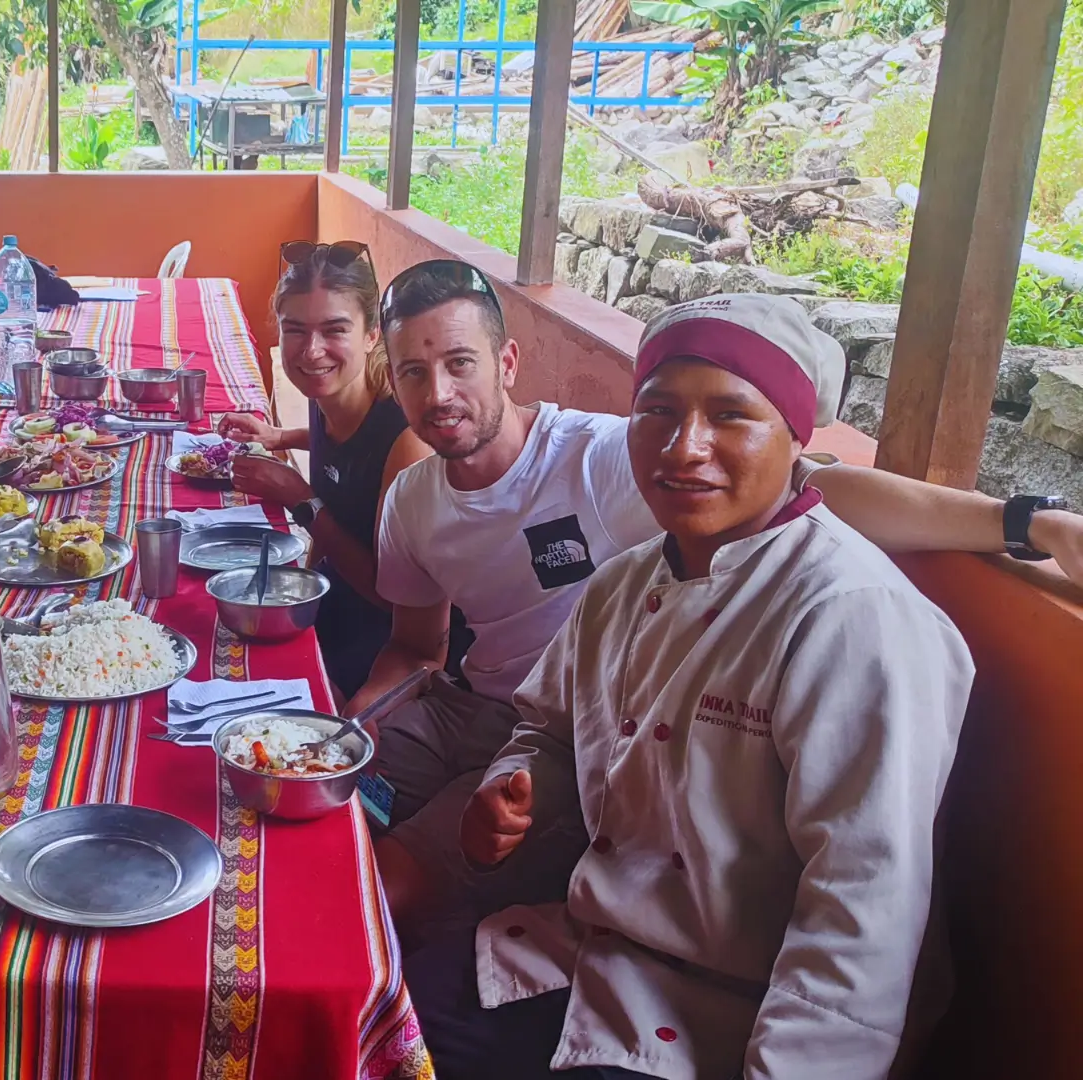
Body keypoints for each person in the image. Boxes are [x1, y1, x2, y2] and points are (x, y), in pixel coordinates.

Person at [355, 261, 1083, 933]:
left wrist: (1022, 523)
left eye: (460, 364)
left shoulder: (613, 457)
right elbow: (417, 648)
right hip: (467, 712)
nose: (439, 394)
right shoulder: (413, 500)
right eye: (415, 372)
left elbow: (818, 488)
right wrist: (357, 717)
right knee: (327, 804)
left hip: (567, 740)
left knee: (387, 887)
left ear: (506, 363)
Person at [423, 294, 973, 1078]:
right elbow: (546, 728)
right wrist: (518, 786)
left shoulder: (853, 618)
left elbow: (861, 919)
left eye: (730, 416)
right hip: (598, 952)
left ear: (795, 440)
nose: (684, 447)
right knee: (374, 1012)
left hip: (737, 1015)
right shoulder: (621, 584)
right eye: (658, 411)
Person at [215, 240, 432, 701]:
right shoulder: (328, 397)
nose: (312, 352)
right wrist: (279, 436)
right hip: (333, 598)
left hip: (385, 648)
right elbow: (340, 445)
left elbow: (390, 598)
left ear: (373, 334)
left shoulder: (406, 439)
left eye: (335, 330)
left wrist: (301, 500)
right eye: (295, 330)